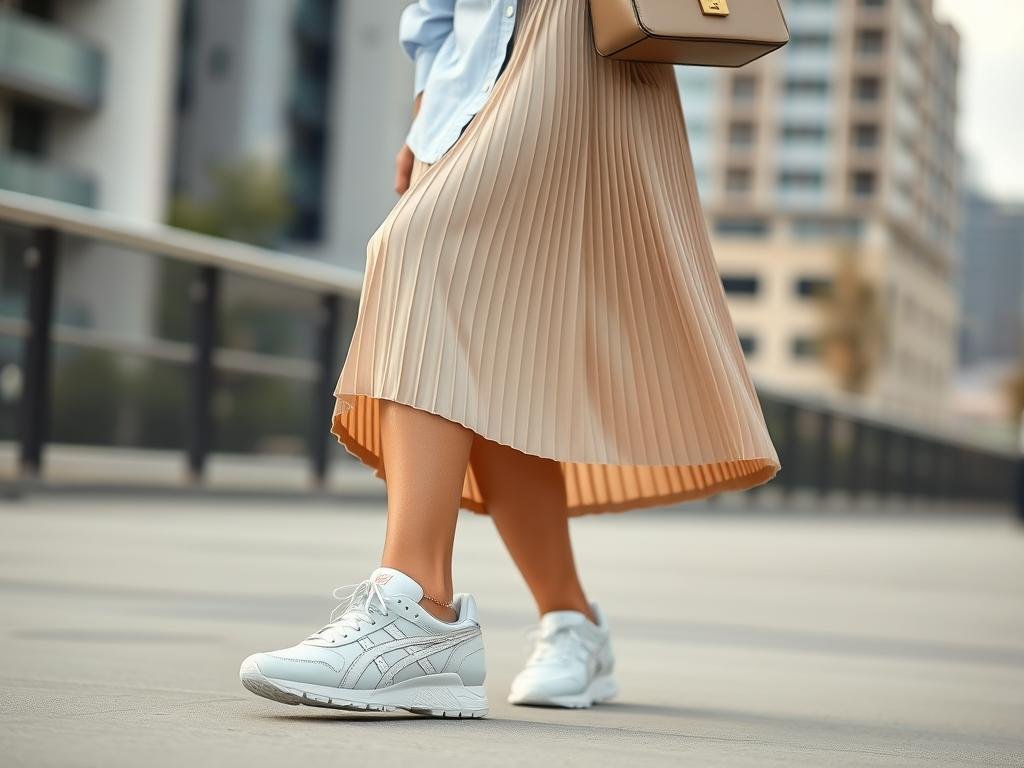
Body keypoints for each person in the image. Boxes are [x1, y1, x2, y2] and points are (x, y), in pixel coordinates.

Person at [240, 0, 780, 718]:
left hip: (587, 53)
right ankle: (569, 620)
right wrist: (432, 99)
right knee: (494, 349)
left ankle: (420, 610)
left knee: (419, 256)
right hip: (475, 68)